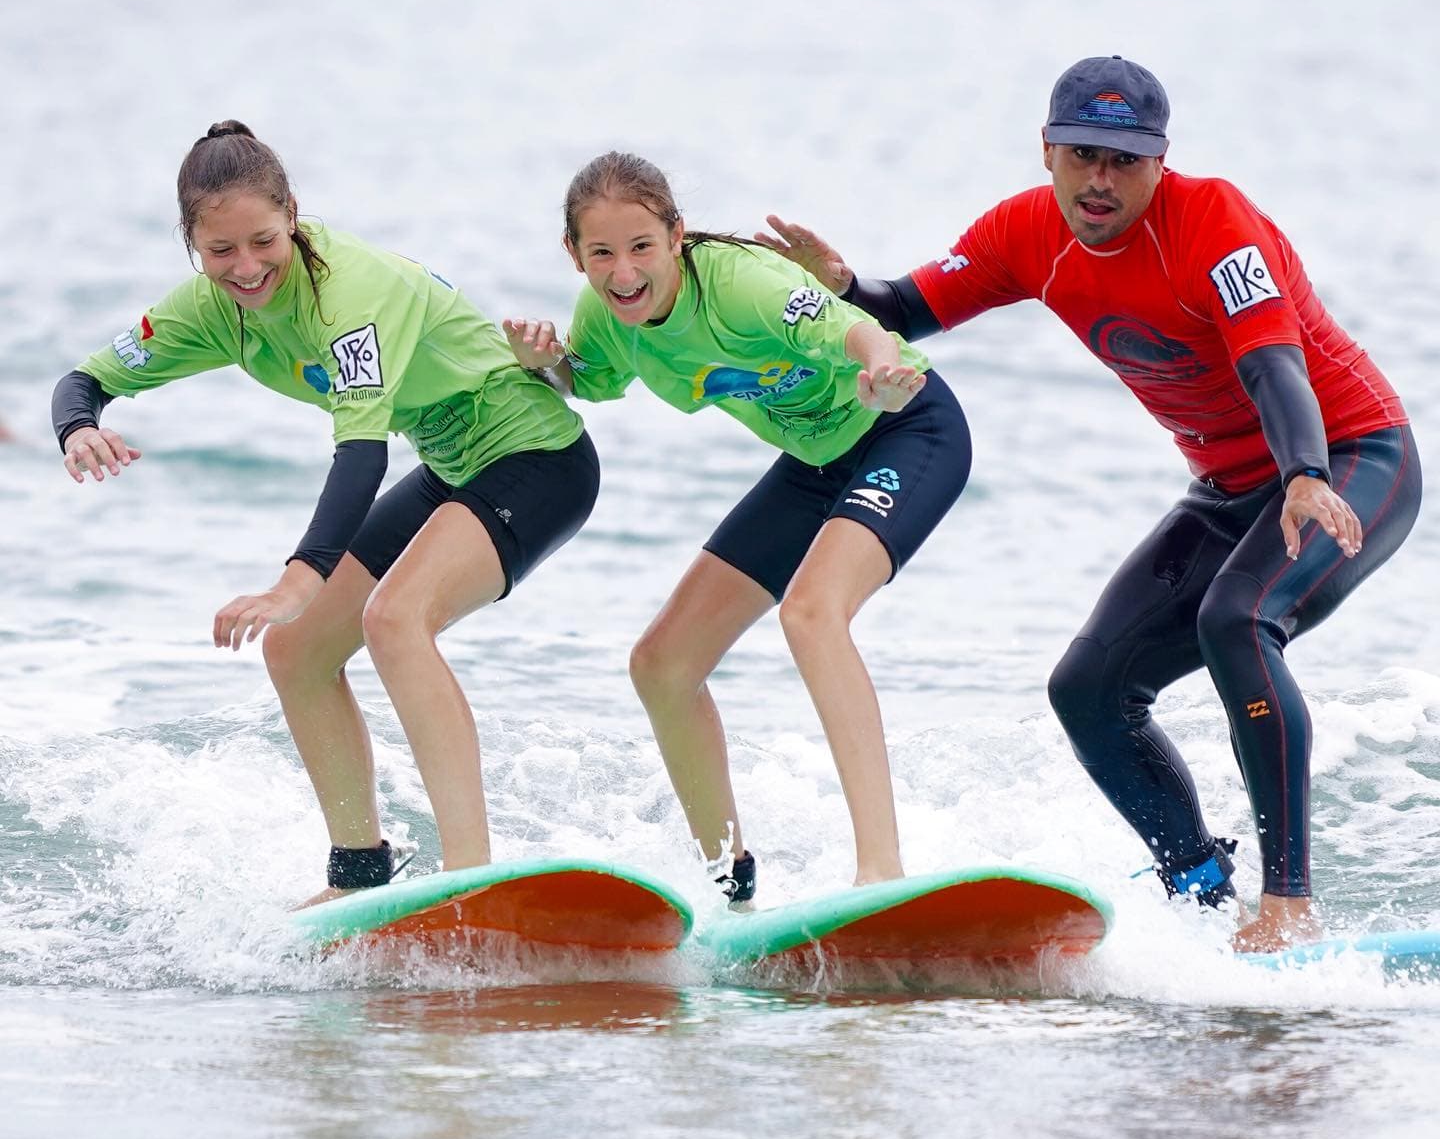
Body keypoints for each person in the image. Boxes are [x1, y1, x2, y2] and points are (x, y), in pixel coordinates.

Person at [757, 55, 1421, 952]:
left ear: (1160, 162)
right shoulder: (1026, 232)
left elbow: (1274, 365)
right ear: (1047, 151)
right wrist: (841, 287)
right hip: (1229, 486)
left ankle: (1289, 907)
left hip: (1347, 460)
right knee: (1089, 690)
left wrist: (1304, 472)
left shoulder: (1213, 222)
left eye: (1123, 161)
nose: (1099, 181)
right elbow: (907, 308)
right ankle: (1202, 892)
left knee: (1238, 620)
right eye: (1081, 156)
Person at [52, 121, 600, 901]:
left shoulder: (350, 292)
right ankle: (358, 874)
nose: (246, 268)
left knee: (394, 619)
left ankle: (471, 877)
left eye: (263, 242)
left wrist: (298, 576)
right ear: (192, 243)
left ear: (293, 216)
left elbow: (362, 453)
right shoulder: (210, 309)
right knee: (297, 649)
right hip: (451, 464)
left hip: (536, 457)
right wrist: (78, 427)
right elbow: (85, 380)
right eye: (220, 251)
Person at [503, 152, 972, 902]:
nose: (624, 272)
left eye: (641, 247)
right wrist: (542, 363)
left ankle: (881, 873)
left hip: (905, 427)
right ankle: (729, 885)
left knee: (812, 614)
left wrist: (884, 375)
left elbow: (858, 332)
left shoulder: (743, 285)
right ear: (574, 254)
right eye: (602, 253)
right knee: (662, 664)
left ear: (676, 235)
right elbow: (586, 378)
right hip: (815, 460)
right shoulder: (605, 316)